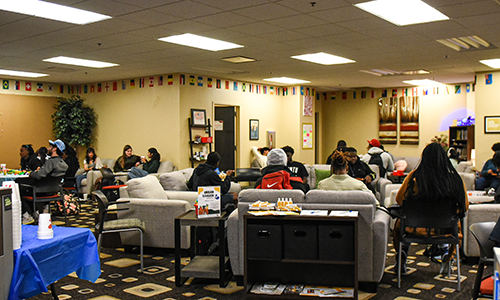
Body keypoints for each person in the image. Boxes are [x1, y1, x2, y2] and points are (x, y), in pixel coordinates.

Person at [393, 142, 468, 274]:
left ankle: (402, 252)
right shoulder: (455, 179)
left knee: (399, 223)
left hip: (415, 229)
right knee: (453, 221)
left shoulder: (413, 178)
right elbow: (464, 206)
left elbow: (399, 200)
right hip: (445, 230)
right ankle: (445, 250)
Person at [19, 139, 69, 224]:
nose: (48, 148)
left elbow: (39, 175)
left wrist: (33, 173)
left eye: (50, 147)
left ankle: (27, 215)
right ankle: (36, 213)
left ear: (55, 149)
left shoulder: (50, 162)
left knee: (19, 189)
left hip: (41, 190)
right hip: (53, 190)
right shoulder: (64, 164)